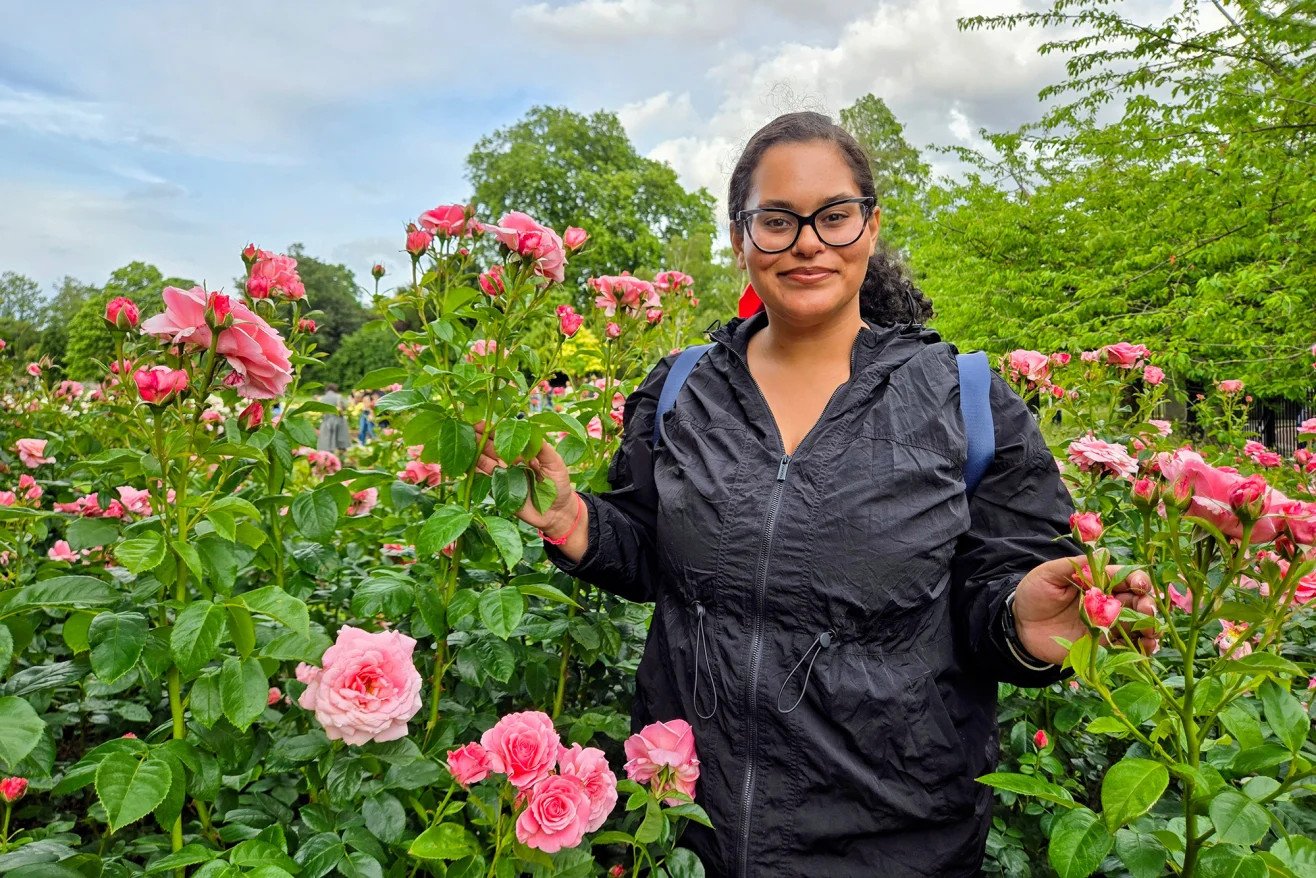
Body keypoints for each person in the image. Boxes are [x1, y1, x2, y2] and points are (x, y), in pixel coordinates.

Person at [475, 112, 1157, 877]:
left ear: (869, 226)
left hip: (896, 842)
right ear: (741, 237)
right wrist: (578, 523)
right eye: (777, 220)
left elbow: (999, 594)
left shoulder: (962, 401)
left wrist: (1023, 621)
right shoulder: (681, 390)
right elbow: (650, 551)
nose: (807, 241)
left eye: (833, 216)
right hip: (686, 830)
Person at [316, 383, 349, 453]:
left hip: (326, 420)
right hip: (338, 419)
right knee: (340, 438)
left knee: (327, 440)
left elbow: (320, 410)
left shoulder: (323, 398)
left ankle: (328, 455)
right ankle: (341, 455)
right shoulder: (338, 396)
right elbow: (345, 406)